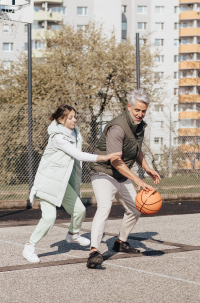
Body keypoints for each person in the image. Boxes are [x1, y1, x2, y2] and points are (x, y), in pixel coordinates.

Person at [23, 105, 122, 263]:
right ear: (60, 120)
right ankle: (29, 247)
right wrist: (104, 157)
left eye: (75, 116)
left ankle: (72, 235)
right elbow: (78, 155)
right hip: (48, 181)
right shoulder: (58, 137)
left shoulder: (75, 133)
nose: (74, 120)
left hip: (61, 183)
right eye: (70, 117)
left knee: (80, 211)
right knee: (49, 218)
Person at [87, 89, 161, 269]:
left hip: (121, 174)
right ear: (129, 107)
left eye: (143, 111)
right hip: (104, 172)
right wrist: (138, 180)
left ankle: (120, 242)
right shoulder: (117, 127)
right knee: (105, 207)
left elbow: (136, 150)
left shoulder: (140, 126)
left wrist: (147, 168)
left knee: (135, 209)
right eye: (137, 110)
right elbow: (115, 160)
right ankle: (94, 250)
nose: (140, 114)